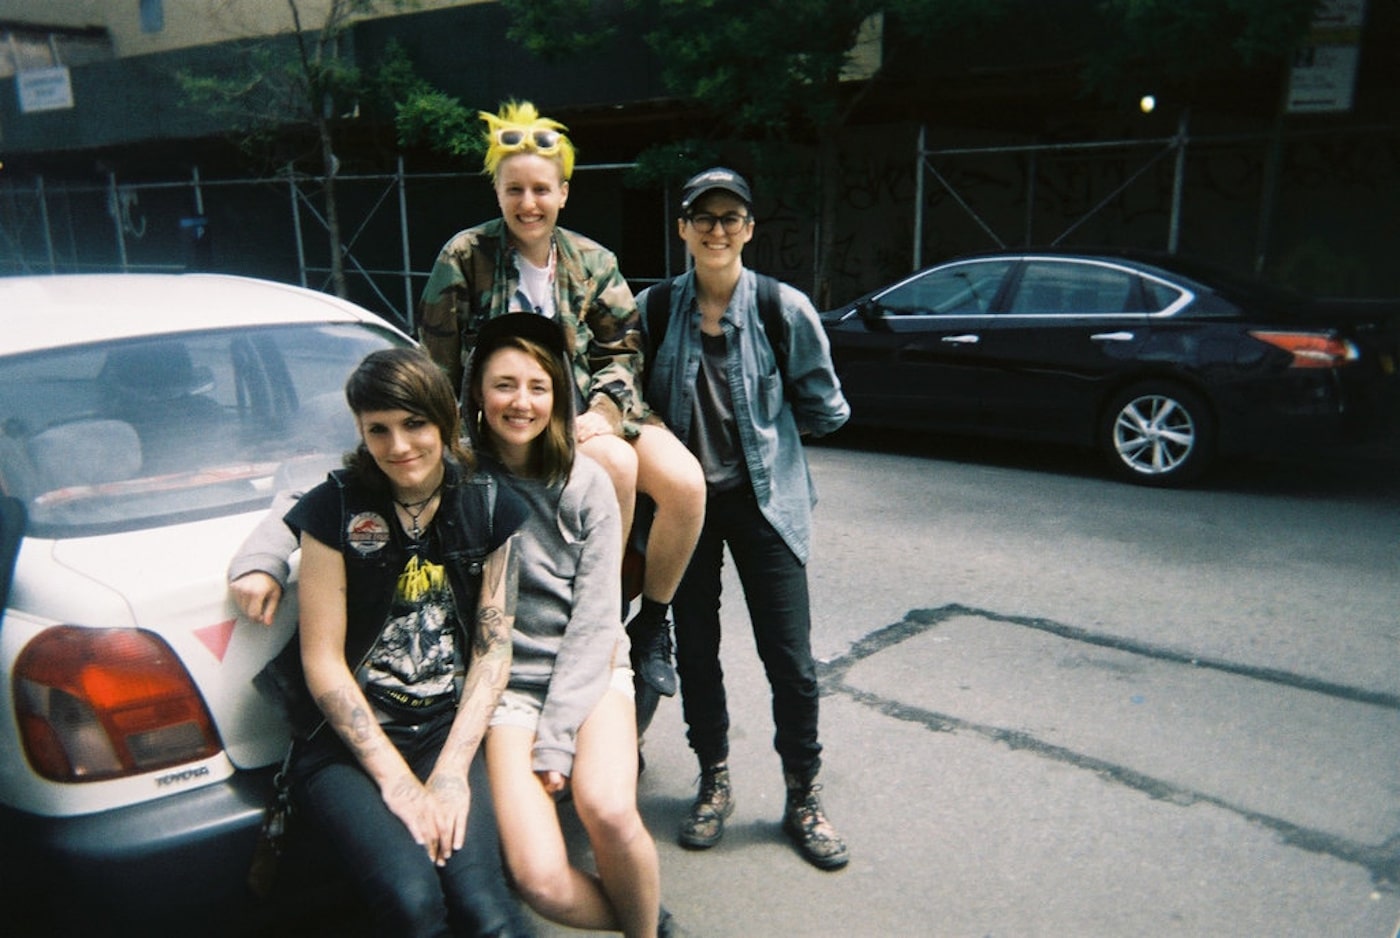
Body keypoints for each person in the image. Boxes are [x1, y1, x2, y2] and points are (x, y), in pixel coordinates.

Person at [416, 100, 705, 708]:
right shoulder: (463, 258)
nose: (529, 203)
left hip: (589, 412)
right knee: (617, 468)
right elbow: (436, 364)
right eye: (514, 188)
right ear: (496, 191)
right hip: (509, 420)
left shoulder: (594, 261)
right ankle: (600, 613)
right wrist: (447, 446)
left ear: (564, 194)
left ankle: (650, 622)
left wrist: (603, 411)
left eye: (541, 189)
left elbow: (623, 352)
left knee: (685, 484)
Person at [241, 347, 536, 937]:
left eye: (414, 424)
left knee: (488, 912)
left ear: (444, 420)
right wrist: (396, 781)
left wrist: (450, 771)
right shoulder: (337, 509)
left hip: (443, 732)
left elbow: (493, 647)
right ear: (361, 431)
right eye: (379, 430)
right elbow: (322, 660)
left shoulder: (488, 503)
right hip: (344, 747)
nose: (399, 446)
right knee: (412, 903)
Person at [636, 167, 853, 870]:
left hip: (766, 505)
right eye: (704, 217)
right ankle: (714, 779)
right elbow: (629, 399)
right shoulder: (656, 310)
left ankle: (803, 796)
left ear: (749, 229)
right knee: (697, 650)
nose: (717, 229)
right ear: (684, 229)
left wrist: (772, 445)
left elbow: (824, 406)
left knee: (789, 662)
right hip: (687, 508)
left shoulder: (782, 310)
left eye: (731, 217)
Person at [464, 313, 664, 936]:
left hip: (592, 670)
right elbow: (349, 480)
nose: (520, 401)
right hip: (504, 691)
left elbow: (598, 621)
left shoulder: (586, 485)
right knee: (540, 883)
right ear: (477, 391)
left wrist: (557, 739)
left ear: (558, 396)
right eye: (504, 384)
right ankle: (646, 915)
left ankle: (646, 926)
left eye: (537, 385)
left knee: (605, 808)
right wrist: (267, 558)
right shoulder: (458, 476)